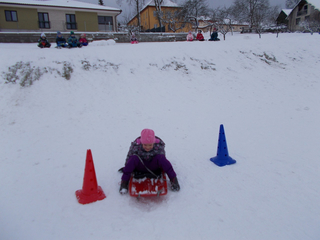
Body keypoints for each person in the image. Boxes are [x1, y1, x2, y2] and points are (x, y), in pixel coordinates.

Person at [119, 129, 180, 194]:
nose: (147, 147)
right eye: (145, 145)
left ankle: (173, 180)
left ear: (154, 143)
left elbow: (163, 161)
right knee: (133, 158)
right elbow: (129, 158)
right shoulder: (136, 146)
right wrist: (127, 167)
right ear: (141, 142)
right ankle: (124, 182)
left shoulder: (158, 146)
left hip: (153, 167)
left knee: (161, 158)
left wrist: (163, 167)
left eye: (150, 145)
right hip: (140, 166)